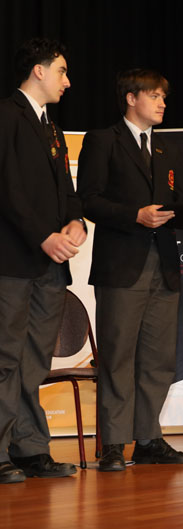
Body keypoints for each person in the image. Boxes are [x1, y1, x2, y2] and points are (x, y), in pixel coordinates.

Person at [77, 69, 183, 472]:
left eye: (164, 96)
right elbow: (88, 200)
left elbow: (175, 205)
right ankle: (113, 443)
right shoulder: (103, 140)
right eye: (155, 95)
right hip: (122, 265)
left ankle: (148, 439)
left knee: (159, 358)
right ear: (131, 98)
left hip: (164, 265)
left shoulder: (166, 149)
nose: (162, 103)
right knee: (118, 356)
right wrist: (134, 215)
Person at [0, 38, 86, 483]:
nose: (67, 82)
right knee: (5, 358)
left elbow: (65, 191)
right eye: (62, 71)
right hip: (13, 261)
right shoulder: (6, 115)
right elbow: (7, 189)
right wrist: (42, 237)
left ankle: (30, 449)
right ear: (39, 70)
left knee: (34, 360)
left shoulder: (51, 127)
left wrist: (76, 222)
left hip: (51, 267)